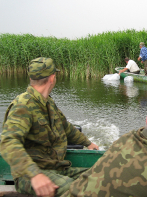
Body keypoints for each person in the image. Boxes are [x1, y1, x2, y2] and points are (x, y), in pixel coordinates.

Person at [0, 57, 99, 197]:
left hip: (56, 167)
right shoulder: (23, 105)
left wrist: (88, 143)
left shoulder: (48, 102)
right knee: (76, 190)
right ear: (52, 78)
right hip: (29, 176)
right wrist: (35, 175)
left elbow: (67, 128)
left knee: (100, 175)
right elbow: (8, 142)